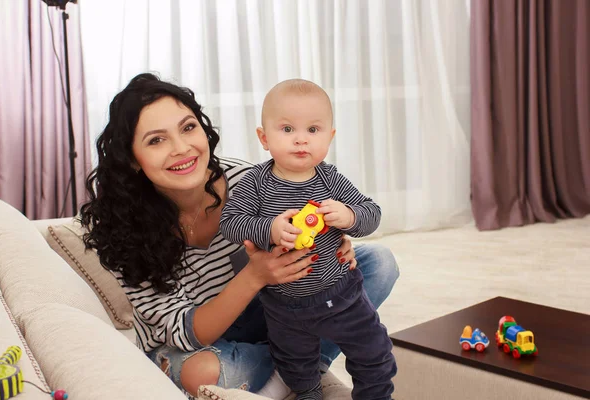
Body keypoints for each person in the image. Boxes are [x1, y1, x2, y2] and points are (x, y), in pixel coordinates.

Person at [79, 73, 400, 399]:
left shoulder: (247, 179)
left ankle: (296, 366)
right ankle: (297, 368)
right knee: (201, 373)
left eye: (188, 127)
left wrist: (335, 236)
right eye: (156, 140)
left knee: (378, 263)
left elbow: (312, 219)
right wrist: (255, 275)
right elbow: (184, 333)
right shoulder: (122, 228)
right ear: (132, 158)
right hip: (195, 343)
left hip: (273, 314)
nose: (181, 148)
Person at [220, 79, 396, 399]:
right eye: (287, 129)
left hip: (341, 294)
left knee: (373, 352)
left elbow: (372, 212)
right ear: (264, 137)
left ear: (329, 137)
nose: (301, 139)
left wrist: (350, 216)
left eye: (313, 130)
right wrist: (269, 229)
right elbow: (230, 223)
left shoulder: (330, 179)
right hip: (284, 305)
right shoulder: (256, 184)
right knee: (297, 367)